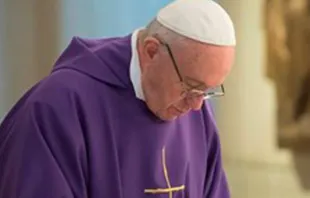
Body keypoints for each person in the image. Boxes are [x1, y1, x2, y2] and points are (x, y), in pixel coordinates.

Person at [0, 0, 235, 197]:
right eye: (191, 86)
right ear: (151, 51)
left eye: (207, 90)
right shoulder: (59, 107)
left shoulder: (198, 112)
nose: (196, 105)